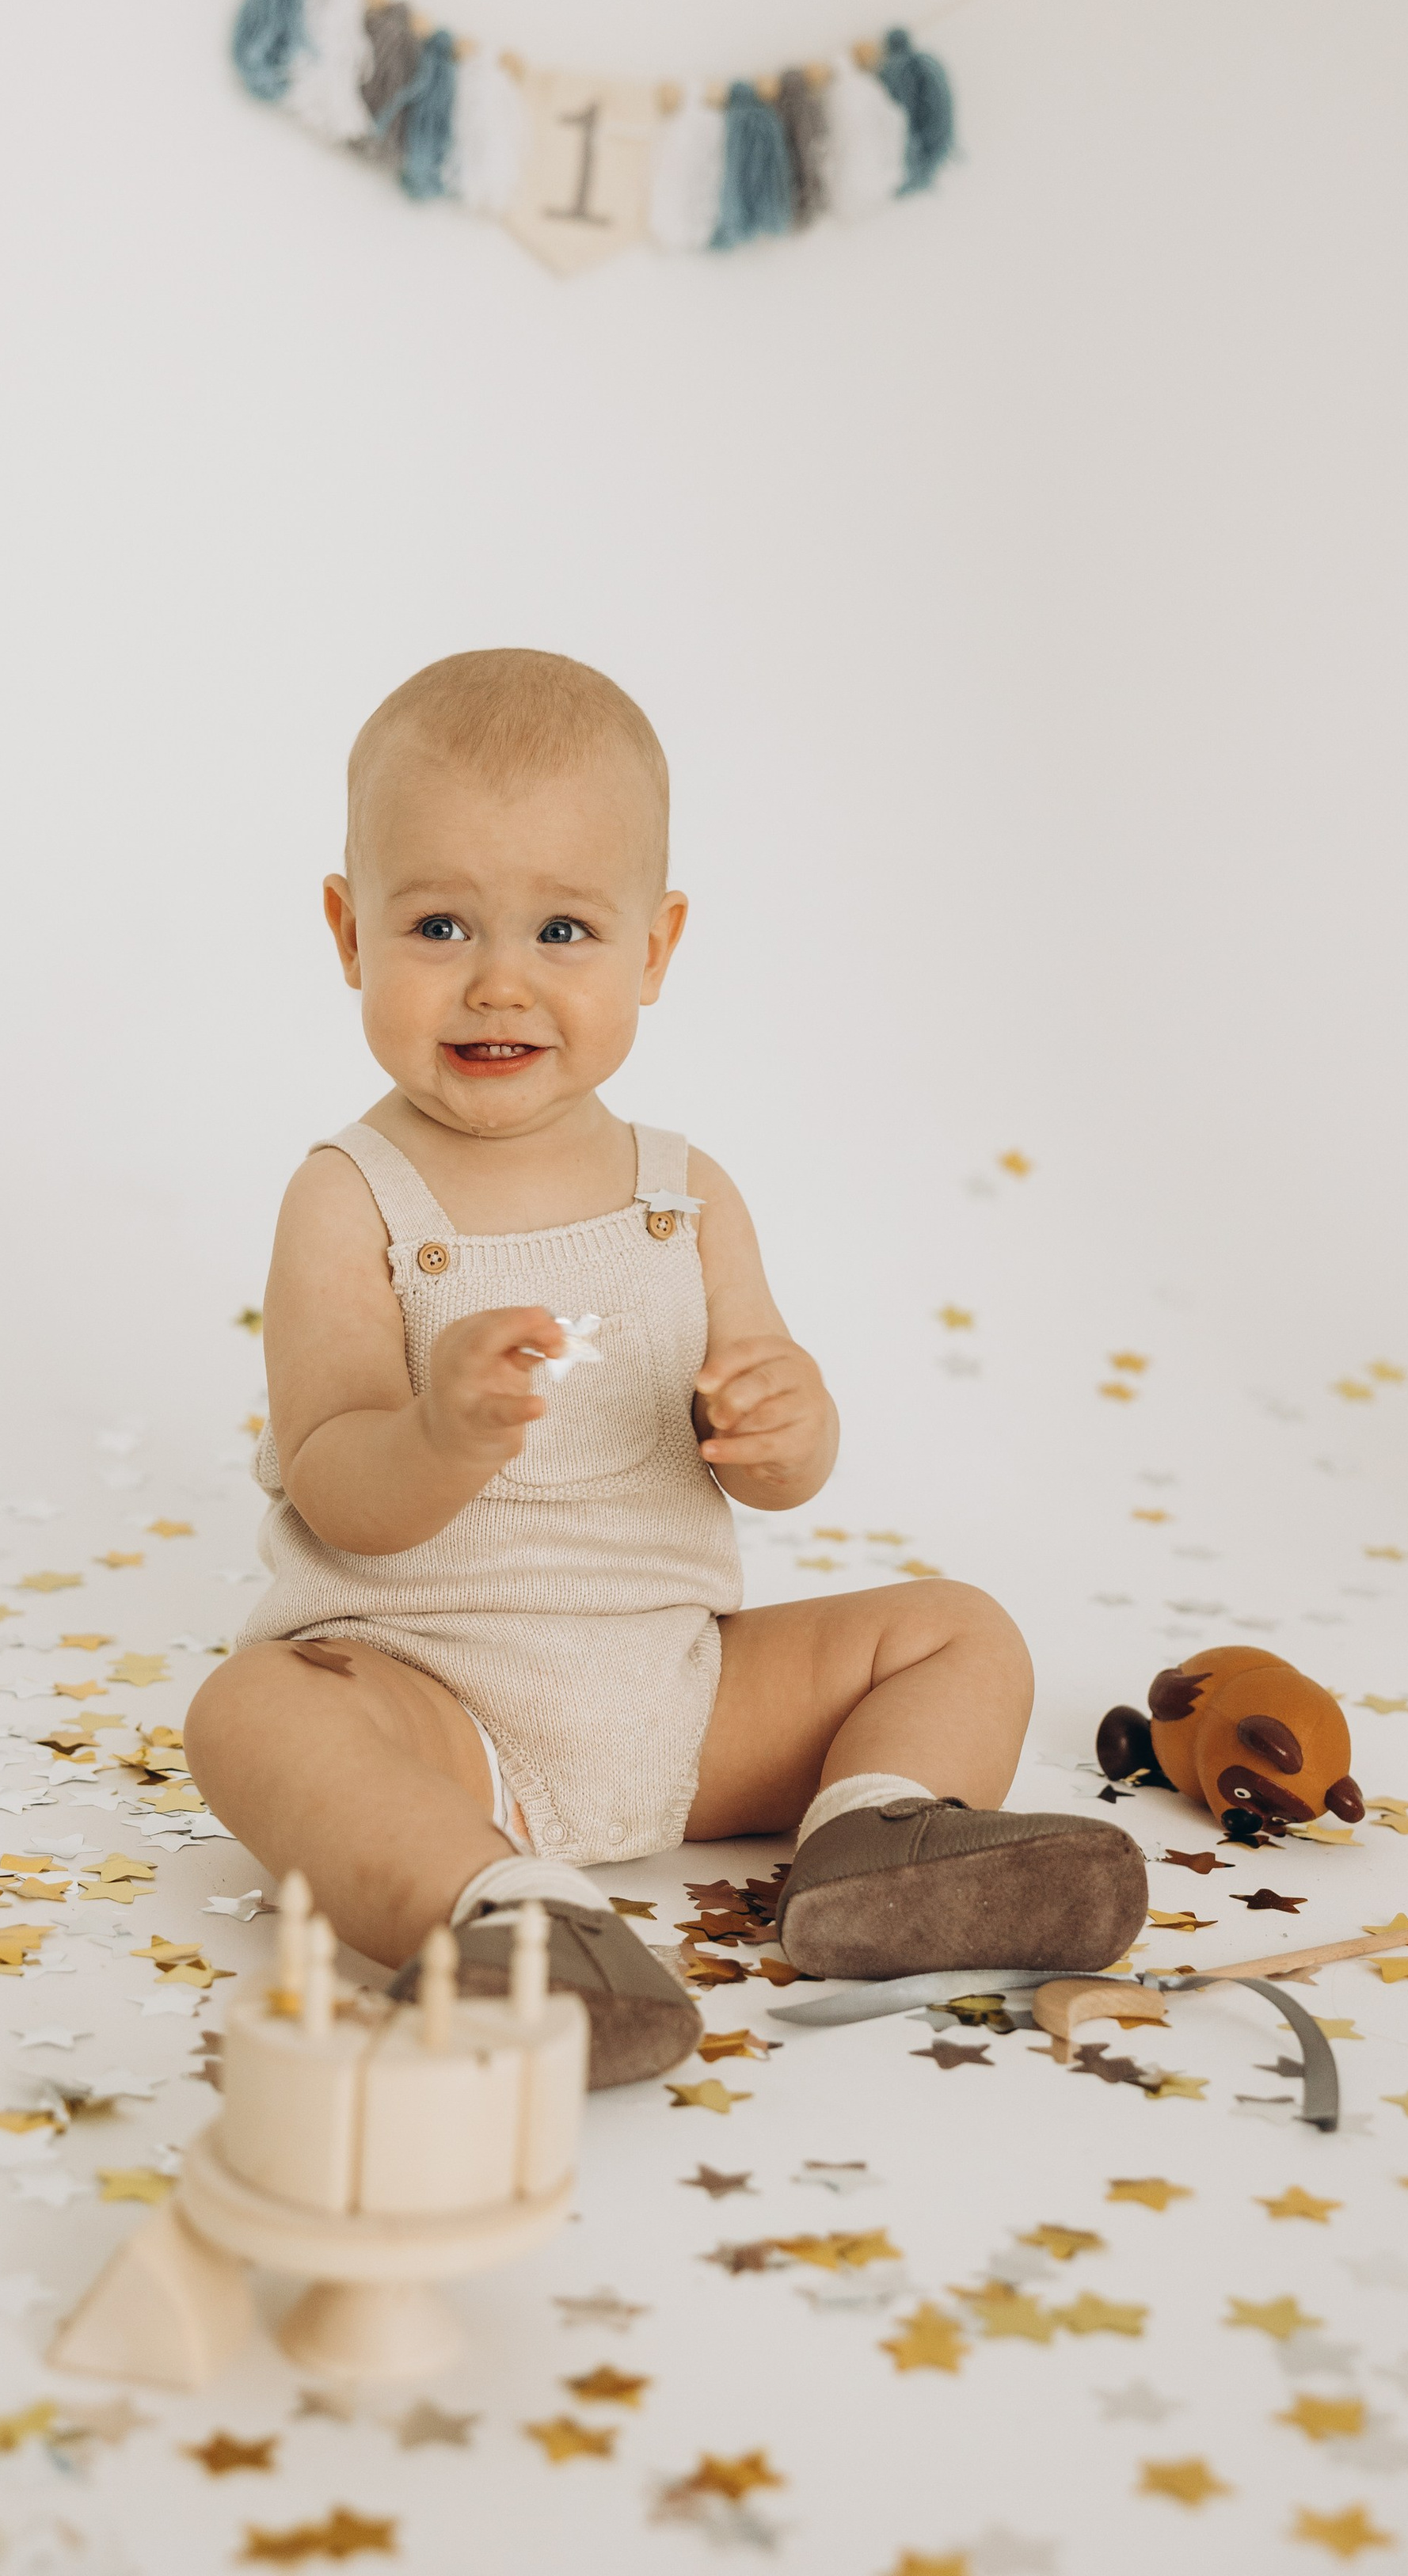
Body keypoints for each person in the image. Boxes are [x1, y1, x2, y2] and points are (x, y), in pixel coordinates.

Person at [185, 649, 1142, 2084]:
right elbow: (337, 1494)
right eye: (439, 923)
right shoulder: (349, 1198)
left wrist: (784, 1423)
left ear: (656, 948)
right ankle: (501, 1916)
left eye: (564, 929)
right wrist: (439, 1432)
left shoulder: (685, 1194)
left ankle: (873, 1847)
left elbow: (781, 1473)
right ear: (347, 931)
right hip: (435, 1701)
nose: (499, 980)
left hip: (685, 1698)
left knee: (960, 1628)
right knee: (248, 1715)